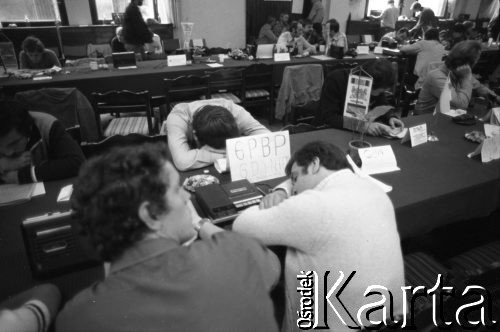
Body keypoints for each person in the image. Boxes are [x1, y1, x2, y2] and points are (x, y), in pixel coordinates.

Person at [56, 143, 280, 332]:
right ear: (151, 215)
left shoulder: (75, 319)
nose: (187, 196)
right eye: (176, 190)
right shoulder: (237, 252)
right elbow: (272, 266)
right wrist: (202, 225)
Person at [232, 141, 405, 332]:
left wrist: (279, 197)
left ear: (314, 164)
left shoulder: (313, 205)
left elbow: (241, 225)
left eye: (295, 178)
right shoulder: (375, 191)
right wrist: (284, 188)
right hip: (390, 320)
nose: (295, 189)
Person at [164, 99, 269, 171]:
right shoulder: (178, 117)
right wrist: (232, 152)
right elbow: (182, 162)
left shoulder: (236, 112)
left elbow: (270, 139)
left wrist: (215, 153)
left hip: (203, 162)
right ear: (195, 136)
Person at [0, 101, 85, 184]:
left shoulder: (46, 124)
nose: (8, 153)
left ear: (29, 129)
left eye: (13, 143)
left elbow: (76, 162)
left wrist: (21, 176)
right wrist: (4, 164)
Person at [316, 58, 405, 136]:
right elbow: (328, 118)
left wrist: (390, 117)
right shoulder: (335, 79)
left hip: (357, 133)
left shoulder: (377, 80)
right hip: (328, 131)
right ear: (370, 84)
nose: (381, 93)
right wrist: (363, 126)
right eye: (381, 91)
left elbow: (381, 105)